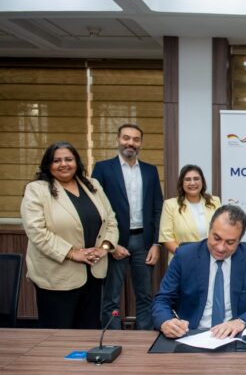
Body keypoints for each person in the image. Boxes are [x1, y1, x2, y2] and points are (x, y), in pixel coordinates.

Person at [20, 142, 118, 329]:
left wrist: (104, 248)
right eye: (56, 160)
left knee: (87, 332)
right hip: (57, 276)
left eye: (68, 159)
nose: (63, 164)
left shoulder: (92, 185)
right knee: (58, 335)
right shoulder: (36, 189)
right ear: (48, 164)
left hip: (93, 272)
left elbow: (110, 220)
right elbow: (36, 231)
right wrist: (72, 253)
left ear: (76, 162)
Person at [152, 204, 246, 339]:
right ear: (209, 230)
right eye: (217, 238)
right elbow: (162, 300)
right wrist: (166, 322)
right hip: (191, 335)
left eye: (230, 242)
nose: (220, 248)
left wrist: (240, 322)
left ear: (239, 240)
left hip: (234, 336)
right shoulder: (184, 256)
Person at [92, 123, 163, 330]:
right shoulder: (103, 169)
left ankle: (143, 341)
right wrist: (110, 246)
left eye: (135, 139)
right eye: (126, 138)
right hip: (115, 241)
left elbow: (157, 208)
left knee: (145, 296)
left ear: (141, 143)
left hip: (144, 242)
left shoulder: (150, 171)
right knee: (111, 297)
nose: (130, 143)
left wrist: (156, 244)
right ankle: (112, 339)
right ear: (118, 140)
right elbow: (96, 210)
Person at [159, 164, 221, 262]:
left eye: (196, 179)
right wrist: (188, 256)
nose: (192, 183)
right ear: (182, 183)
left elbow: (221, 231)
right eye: (187, 179)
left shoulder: (215, 202)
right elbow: (167, 238)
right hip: (183, 260)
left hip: (212, 259)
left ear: (202, 181)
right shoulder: (170, 205)